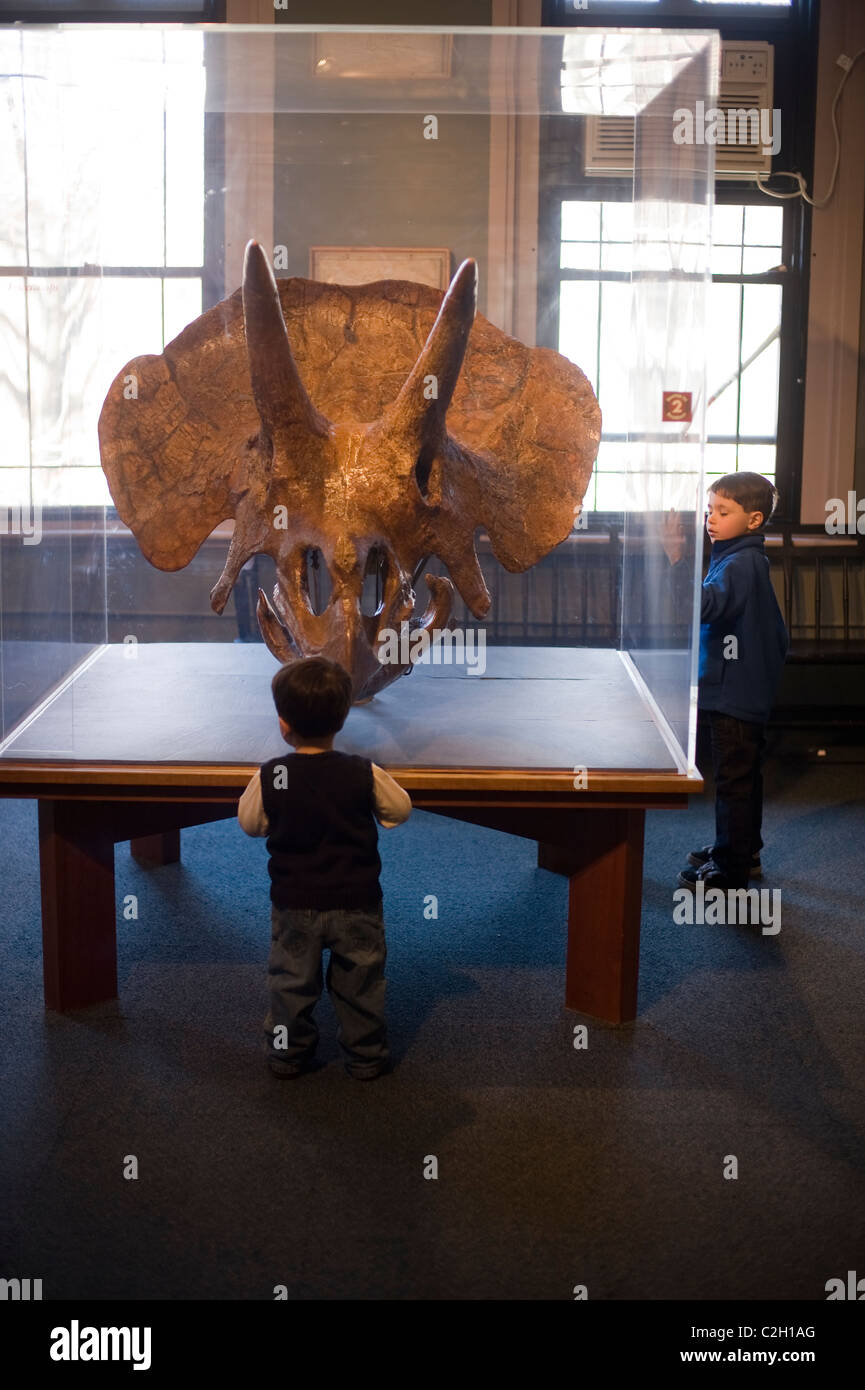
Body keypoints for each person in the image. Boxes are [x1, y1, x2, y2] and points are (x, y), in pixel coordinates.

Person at [238, 656, 412, 1080]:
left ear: (283, 724)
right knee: (362, 983)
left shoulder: (273, 775)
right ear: (343, 717)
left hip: (295, 904)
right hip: (357, 903)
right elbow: (399, 811)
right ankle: (366, 1056)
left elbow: (250, 824)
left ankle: (287, 1054)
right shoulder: (361, 771)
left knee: (290, 983)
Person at [662, 472, 789, 892]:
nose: (710, 519)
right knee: (744, 776)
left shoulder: (740, 562)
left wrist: (678, 561)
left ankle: (728, 872)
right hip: (742, 685)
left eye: (722, 511)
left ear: (753, 520)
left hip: (735, 691)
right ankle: (741, 849)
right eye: (709, 510)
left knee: (734, 781)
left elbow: (707, 606)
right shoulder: (739, 556)